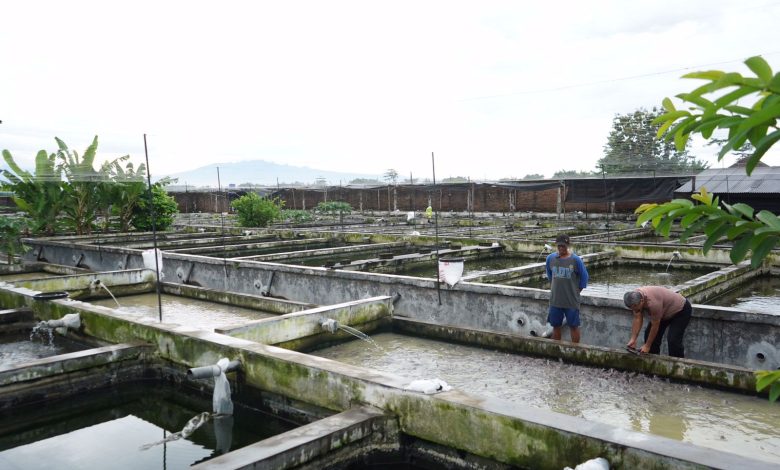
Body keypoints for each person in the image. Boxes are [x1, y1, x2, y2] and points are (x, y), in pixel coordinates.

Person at [623, 286, 692, 357]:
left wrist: (647, 346)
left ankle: (678, 364)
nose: (634, 310)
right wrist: (633, 339)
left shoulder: (653, 303)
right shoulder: (634, 300)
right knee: (648, 334)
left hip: (681, 310)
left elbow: (655, 325)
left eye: (635, 307)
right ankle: (654, 360)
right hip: (664, 312)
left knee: (673, 340)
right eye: (631, 308)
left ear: (642, 301)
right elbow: (637, 318)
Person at [545, 234, 588, 343]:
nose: (561, 248)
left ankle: (575, 350)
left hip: (571, 300)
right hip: (556, 300)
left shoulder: (576, 260)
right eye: (559, 246)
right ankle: (557, 349)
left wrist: (577, 291)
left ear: (568, 246)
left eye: (563, 246)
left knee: (574, 326)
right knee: (556, 325)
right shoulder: (550, 258)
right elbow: (550, 276)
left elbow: (584, 277)